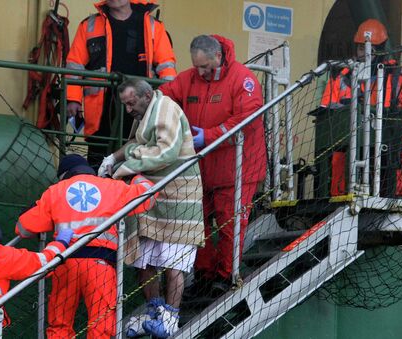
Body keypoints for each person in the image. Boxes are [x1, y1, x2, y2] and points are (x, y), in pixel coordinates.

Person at [158, 35, 267, 296]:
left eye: (205, 67)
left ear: (218, 57)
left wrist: (208, 135)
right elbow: (164, 97)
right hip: (203, 169)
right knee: (199, 225)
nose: (201, 72)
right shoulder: (190, 78)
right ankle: (205, 276)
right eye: (197, 66)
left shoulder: (243, 80)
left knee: (230, 225)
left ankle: (226, 276)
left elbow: (246, 120)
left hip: (237, 169)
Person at [99, 78, 204, 338]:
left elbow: (165, 153)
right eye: (124, 104)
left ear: (147, 95)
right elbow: (136, 143)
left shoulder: (167, 109)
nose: (128, 110)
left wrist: (124, 166)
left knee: (173, 261)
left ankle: (170, 319)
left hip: (180, 197)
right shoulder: (145, 112)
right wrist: (113, 157)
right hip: (152, 196)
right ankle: (154, 310)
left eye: (131, 103)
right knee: (143, 258)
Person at [16, 154, 158, 339]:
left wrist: (33, 209)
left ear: (64, 175)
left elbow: (23, 228)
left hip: (64, 263)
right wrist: (134, 174)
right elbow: (148, 196)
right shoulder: (112, 187)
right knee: (102, 323)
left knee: (60, 323)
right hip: (101, 266)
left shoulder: (55, 191)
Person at [65, 0, 177, 167]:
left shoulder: (154, 26)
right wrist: (72, 99)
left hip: (142, 108)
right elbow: (75, 65)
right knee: (98, 160)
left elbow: (166, 67)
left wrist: (168, 102)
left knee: (139, 151)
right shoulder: (89, 25)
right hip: (101, 111)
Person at [320, 19, 402, 198]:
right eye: (361, 48)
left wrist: (387, 117)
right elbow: (326, 114)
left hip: (388, 157)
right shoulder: (342, 77)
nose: (365, 54)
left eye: (371, 50)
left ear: (381, 50)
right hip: (347, 161)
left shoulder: (397, 78)